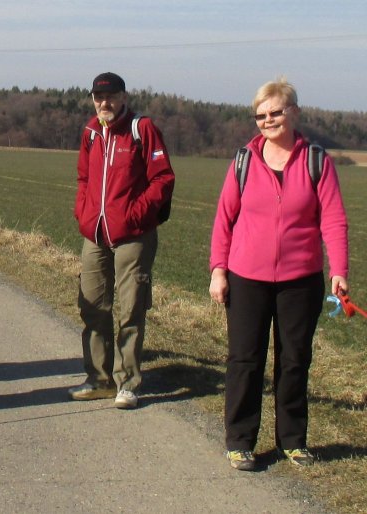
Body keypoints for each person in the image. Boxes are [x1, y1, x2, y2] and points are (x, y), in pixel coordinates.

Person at [209, 77, 349, 471]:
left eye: (275, 112)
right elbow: (224, 220)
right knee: (245, 360)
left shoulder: (317, 160)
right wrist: (218, 270)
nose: (267, 120)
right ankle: (240, 440)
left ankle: (292, 440)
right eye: (260, 115)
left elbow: (334, 221)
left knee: (294, 361)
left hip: (300, 279)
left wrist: (339, 271)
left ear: (294, 113)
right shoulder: (243, 161)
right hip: (246, 277)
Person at [69, 72, 175, 409]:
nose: (105, 103)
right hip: (95, 233)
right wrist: (83, 213)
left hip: (133, 235)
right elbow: (84, 177)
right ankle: (98, 378)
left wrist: (135, 215)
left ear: (123, 97)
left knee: (131, 309)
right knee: (92, 307)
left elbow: (163, 179)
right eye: (99, 98)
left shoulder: (141, 130)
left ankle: (128, 382)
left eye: (111, 97)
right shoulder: (90, 131)